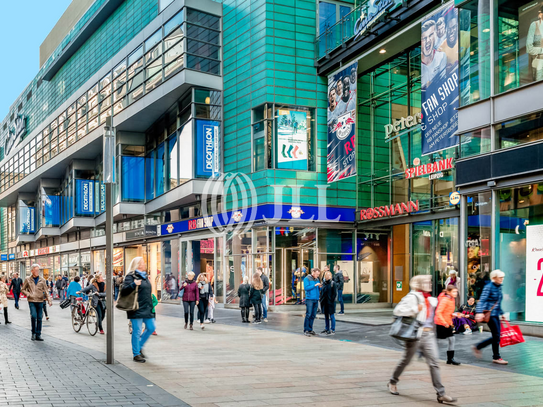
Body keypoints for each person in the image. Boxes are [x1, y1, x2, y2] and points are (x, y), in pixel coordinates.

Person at [388, 275, 456, 403]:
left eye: (430, 281)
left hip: (429, 334)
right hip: (415, 335)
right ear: (419, 284)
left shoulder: (431, 299)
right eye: (426, 282)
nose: (430, 284)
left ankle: (441, 393)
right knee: (406, 361)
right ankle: (392, 381)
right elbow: (398, 311)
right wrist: (415, 309)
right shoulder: (412, 297)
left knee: (434, 363)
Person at [120, 257, 155, 363]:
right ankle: (136, 354)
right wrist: (134, 284)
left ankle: (139, 346)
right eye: (142, 263)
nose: (144, 264)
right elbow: (124, 290)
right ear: (137, 265)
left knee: (151, 327)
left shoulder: (144, 276)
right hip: (136, 308)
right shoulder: (131, 276)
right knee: (137, 331)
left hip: (146, 307)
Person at [473, 270, 508, 365]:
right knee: (497, 336)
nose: (502, 279)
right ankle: (496, 357)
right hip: (490, 314)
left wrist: (502, 313)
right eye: (500, 277)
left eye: (503, 277)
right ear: (494, 278)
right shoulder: (488, 287)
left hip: (495, 314)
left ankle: (479, 347)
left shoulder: (499, 287)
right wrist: (479, 312)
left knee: (497, 336)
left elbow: (497, 302)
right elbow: (482, 300)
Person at [21, 264, 52, 341]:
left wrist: (49, 300)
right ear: (32, 271)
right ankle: (33, 333)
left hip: (40, 300)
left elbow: (46, 290)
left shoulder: (42, 280)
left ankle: (38, 334)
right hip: (31, 300)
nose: (37, 271)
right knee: (34, 316)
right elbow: (23, 289)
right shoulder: (28, 279)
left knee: (39, 318)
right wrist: (28, 294)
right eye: (36, 270)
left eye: (38, 270)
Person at [435, 285, 461, 366]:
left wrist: (454, 315)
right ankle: (432, 357)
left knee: (452, 339)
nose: (456, 293)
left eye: (456, 291)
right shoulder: (445, 300)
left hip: (448, 323)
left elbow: (448, 312)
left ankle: (450, 359)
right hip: (440, 323)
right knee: (438, 342)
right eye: (454, 291)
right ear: (448, 292)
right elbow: (438, 312)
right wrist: (444, 322)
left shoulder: (452, 299)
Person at [421, 20, 447, 87]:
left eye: (430, 35)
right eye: (424, 38)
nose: (428, 40)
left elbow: (442, 82)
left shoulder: (441, 56)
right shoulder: (419, 64)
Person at [303, 268, 322, 337]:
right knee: (308, 314)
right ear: (313, 272)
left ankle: (310, 329)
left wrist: (320, 287)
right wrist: (314, 285)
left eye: (318, 274)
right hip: (309, 299)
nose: (317, 276)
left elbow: (318, 289)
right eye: (317, 274)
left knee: (313, 315)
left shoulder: (317, 279)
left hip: (316, 299)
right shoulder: (306, 279)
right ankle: (306, 330)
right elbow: (306, 288)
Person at [320, 271, 337, 335]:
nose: (327, 276)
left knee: (332, 316)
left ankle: (332, 329)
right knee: (326, 316)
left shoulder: (333, 283)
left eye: (329, 275)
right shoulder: (323, 283)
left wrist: (331, 300)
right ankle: (327, 328)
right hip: (324, 302)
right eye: (326, 275)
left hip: (330, 303)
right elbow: (322, 292)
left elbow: (334, 293)